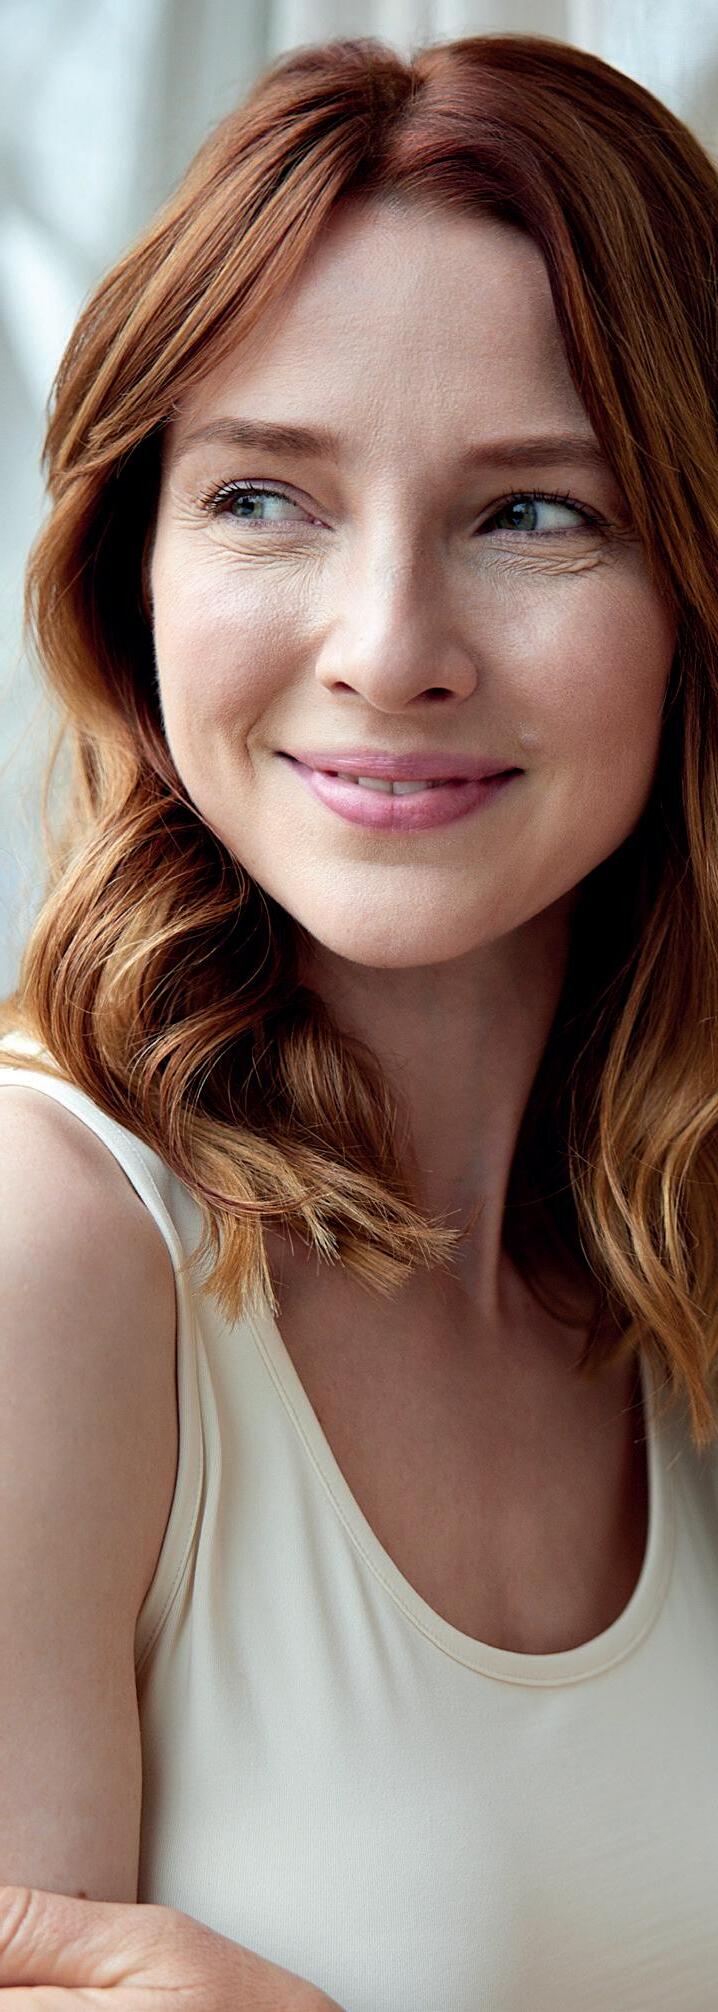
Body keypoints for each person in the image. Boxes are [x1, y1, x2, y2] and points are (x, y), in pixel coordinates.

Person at [1, 26, 717, 2012]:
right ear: (132, 580)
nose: (388, 648)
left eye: (532, 515)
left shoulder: (669, 1249)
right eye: (263, 496)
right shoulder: (49, 1261)